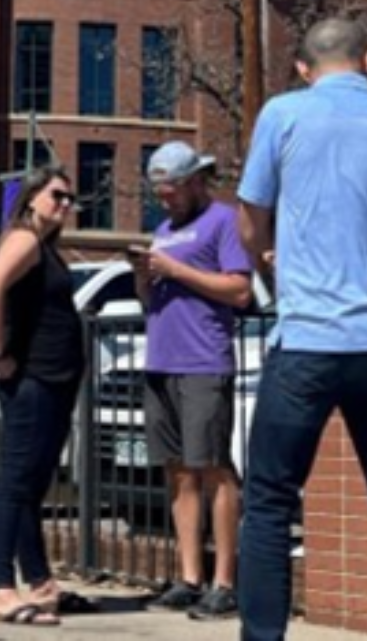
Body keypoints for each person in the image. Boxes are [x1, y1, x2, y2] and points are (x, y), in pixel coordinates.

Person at [237, 18, 367, 641]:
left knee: (268, 501)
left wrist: (271, 264)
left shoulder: (282, 114)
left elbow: (249, 216)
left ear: (302, 68)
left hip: (305, 341)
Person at [133, 142, 252, 620]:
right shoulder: (162, 230)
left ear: (196, 180)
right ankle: (189, 576)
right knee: (178, 470)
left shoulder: (222, 220)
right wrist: (143, 276)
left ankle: (225, 582)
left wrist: (176, 268)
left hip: (204, 361)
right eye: (160, 193)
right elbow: (152, 300)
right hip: (161, 360)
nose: (167, 201)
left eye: (174, 191)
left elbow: (240, 290)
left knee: (214, 469)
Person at [0, 166, 84, 627]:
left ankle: (41, 585)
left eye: (69, 199)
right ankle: (2, 589)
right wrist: (1, 355)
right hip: (33, 380)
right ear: (32, 197)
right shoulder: (23, 238)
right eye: (57, 195)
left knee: (31, 488)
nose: (64, 205)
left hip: (55, 380)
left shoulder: (46, 247)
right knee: (14, 484)